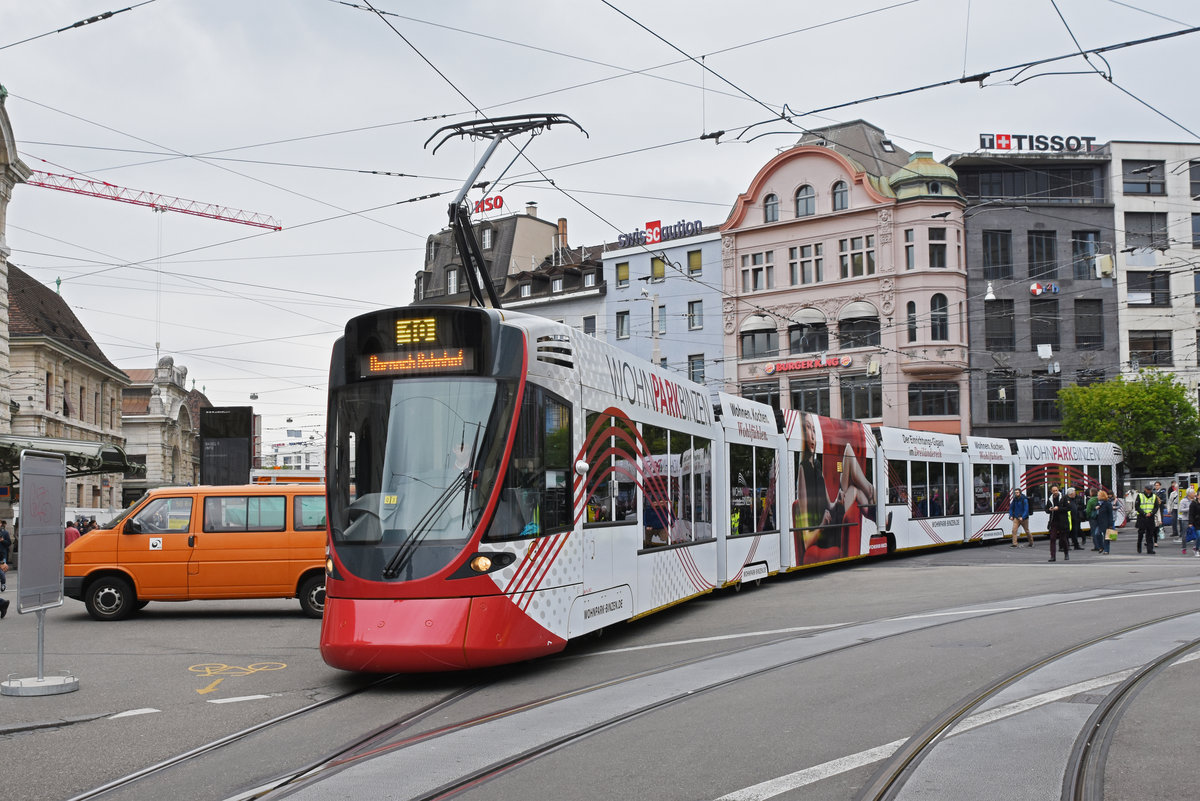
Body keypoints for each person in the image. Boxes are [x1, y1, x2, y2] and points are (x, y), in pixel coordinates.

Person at [1047, 484, 1072, 561]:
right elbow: (1046, 509)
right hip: (1053, 521)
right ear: (1051, 491)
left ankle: (1066, 553)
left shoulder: (1064, 498)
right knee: (1052, 538)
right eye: (1053, 491)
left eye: (1056, 490)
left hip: (1062, 521)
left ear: (1058, 490)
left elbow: (1068, 508)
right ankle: (1053, 556)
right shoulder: (1050, 499)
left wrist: (1058, 508)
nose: (1055, 492)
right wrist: (1049, 509)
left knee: (1063, 538)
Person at [1135, 484, 1159, 554]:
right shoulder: (1140, 495)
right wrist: (1144, 513)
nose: (1149, 491)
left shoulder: (1154, 496)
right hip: (1142, 517)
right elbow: (1137, 506)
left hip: (1150, 517)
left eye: (1150, 490)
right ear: (1145, 489)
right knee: (1141, 533)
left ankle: (1150, 549)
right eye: (1148, 490)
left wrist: (1151, 513)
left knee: (1150, 534)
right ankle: (1139, 547)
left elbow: (1156, 507)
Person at [1095, 490, 1115, 555]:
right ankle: (1101, 546)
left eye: (1098, 495)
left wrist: (1111, 524)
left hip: (1106, 522)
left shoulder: (1107, 504)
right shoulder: (1098, 503)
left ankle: (1106, 550)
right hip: (1099, 522)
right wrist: (1096, 509)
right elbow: (1096, 513)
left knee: (1106, 537)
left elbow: (1110, 514)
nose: (1097, 497)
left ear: (1102, 496)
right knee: (1097, 534)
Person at [1180, 488, 1196, 555]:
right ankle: (1184, 547)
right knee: (1185, 534)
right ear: (1189, 494)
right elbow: (1181, 510)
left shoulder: (1195, 500)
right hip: (1186, 519)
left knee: (1196, 533)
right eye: (1193, 493)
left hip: (1194, 519)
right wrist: (1190, 508)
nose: (1194, 494)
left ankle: (1195, 547)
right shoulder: (1183, 501)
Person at [0, 520, 10, 592]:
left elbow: (9, 543)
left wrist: (2, 540)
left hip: (2, 555)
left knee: (2, 572)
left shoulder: (5, 533)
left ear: (1, 524)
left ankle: (3, 584)